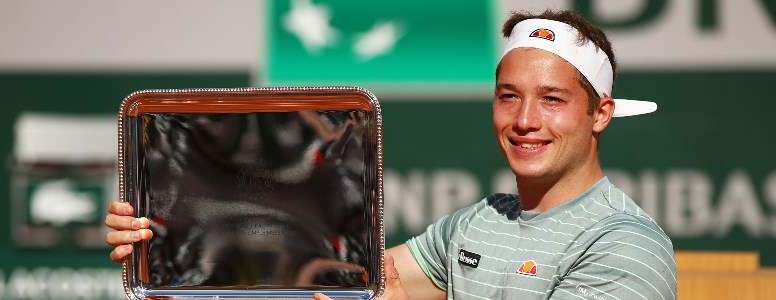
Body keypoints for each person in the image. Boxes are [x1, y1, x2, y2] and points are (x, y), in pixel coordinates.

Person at [107, 9, 675, 299]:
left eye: (552, 100)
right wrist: (177, 240)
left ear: (599, 113)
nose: (525, 121)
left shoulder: (626, 244)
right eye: (509, 97)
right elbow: (331, 280)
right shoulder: (479, 222)